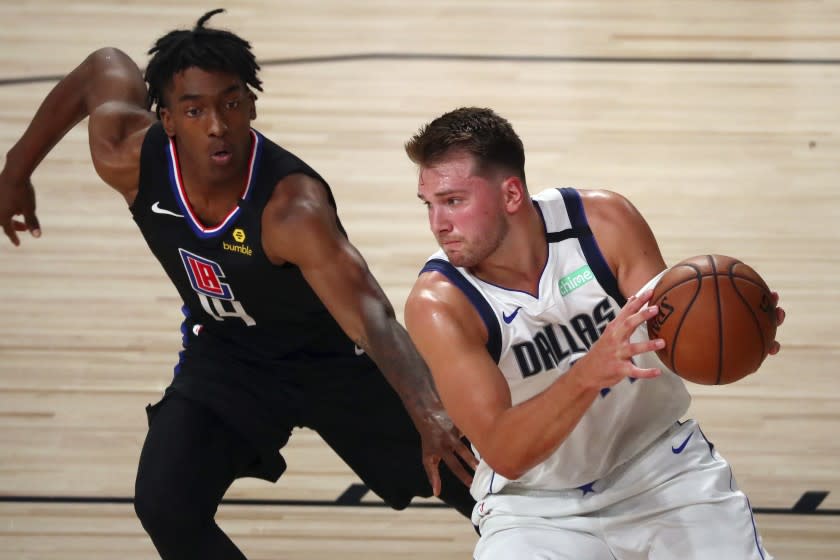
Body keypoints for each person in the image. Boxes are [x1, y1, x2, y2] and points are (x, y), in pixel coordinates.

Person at [0, 10, 477, 559]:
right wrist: (16, 171)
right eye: (195, 108)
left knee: (476, 479)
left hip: (333, 360)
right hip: (229, 356)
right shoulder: (128, 157)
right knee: (166, 505)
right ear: (168, 119)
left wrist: (429, 411)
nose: (217, 125)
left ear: (251, 104)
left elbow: (372, 318)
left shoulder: (291, 209)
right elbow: (101, 67)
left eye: (231, 103)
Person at [402, 106, 785, 559]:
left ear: (511, 195)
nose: (438, 224)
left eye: (454, 201)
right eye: (429, 204)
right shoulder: (440, 304)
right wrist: (588, 372)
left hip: (664, 468)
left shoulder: (602, 223)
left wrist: (730, 330)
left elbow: (669, 338)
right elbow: (504, 450)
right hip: (534, 511)